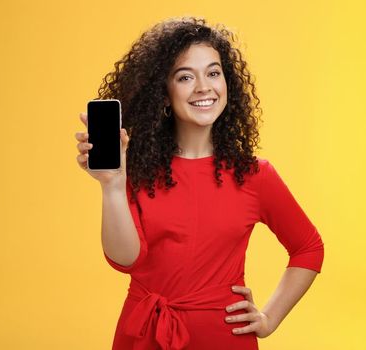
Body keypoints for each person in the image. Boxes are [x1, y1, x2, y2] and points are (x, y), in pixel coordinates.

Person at [74, 17, 324, 350]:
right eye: (185, 77)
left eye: (213, 72)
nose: (203, 87)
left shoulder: (254, 175)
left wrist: (268, 318)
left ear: (227, 84)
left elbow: (308, 247)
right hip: (144, 334)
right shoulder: (132, 169)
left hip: (223, 337)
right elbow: (125, 260)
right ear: (163, 93)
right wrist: (113, 185)